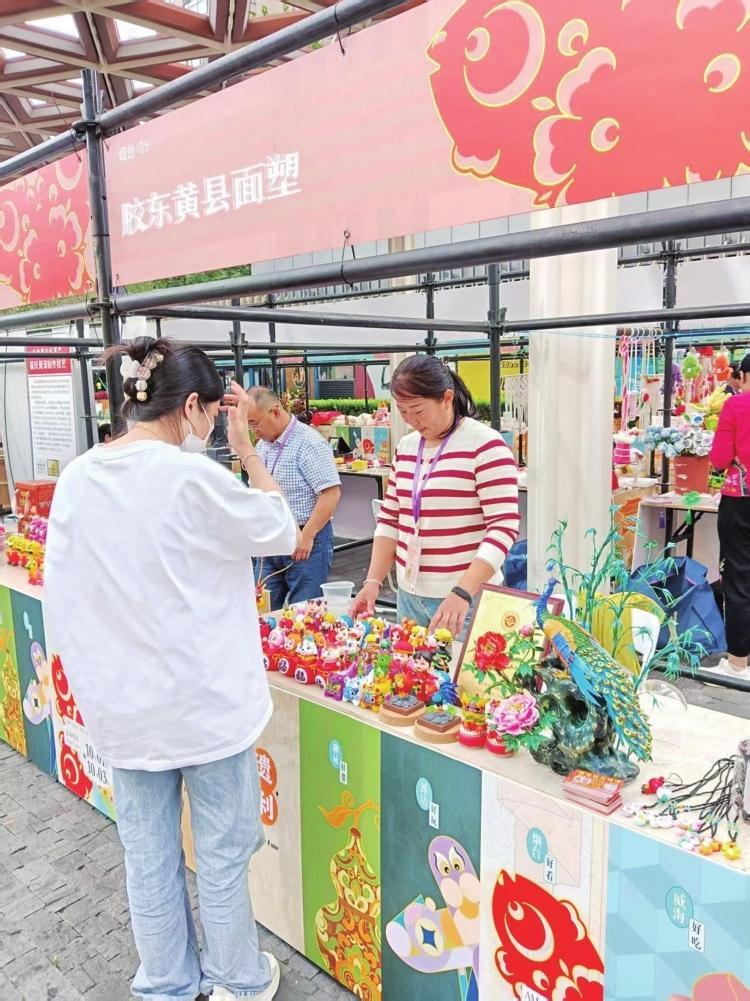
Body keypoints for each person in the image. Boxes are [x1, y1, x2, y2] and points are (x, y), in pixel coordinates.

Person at [44, 338, 297, 1001]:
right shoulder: (191, 476)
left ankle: (166, 982)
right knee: (222, 850)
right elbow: (281, 528)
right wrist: (246, 452)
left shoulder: (78, 479)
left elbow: (60, 596)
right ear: (191, 407)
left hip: (124, 711)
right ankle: (236, 979)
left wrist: (94, 684)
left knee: (148, 853)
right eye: (212, 412)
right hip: (205, 707)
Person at [351, 354, 520, 636]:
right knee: (411, 664)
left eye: (418, 411)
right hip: (410, 596)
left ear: (447, 398)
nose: (411, 421)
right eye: (403, 411)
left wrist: (463, 592)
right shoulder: (407, 446)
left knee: (463, 666)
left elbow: (503, 527)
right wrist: (373, 582)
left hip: (464, 600)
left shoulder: (485, 444)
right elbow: (391, 519)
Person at [226, 383, 341, 610]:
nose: (253, 431)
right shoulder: (263, 445)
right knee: (263, 607)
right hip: (271, 539)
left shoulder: (309, 443)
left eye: (255, 423)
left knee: (304, 611)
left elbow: (331, 493)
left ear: (276, 412)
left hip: (306, 536)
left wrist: (307, 536)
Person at [709, 352, 750, 679]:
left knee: (738, 578)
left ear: (744, 376)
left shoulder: (736, 405)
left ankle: (738, 662)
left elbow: (720, 458)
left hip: (740, 502)